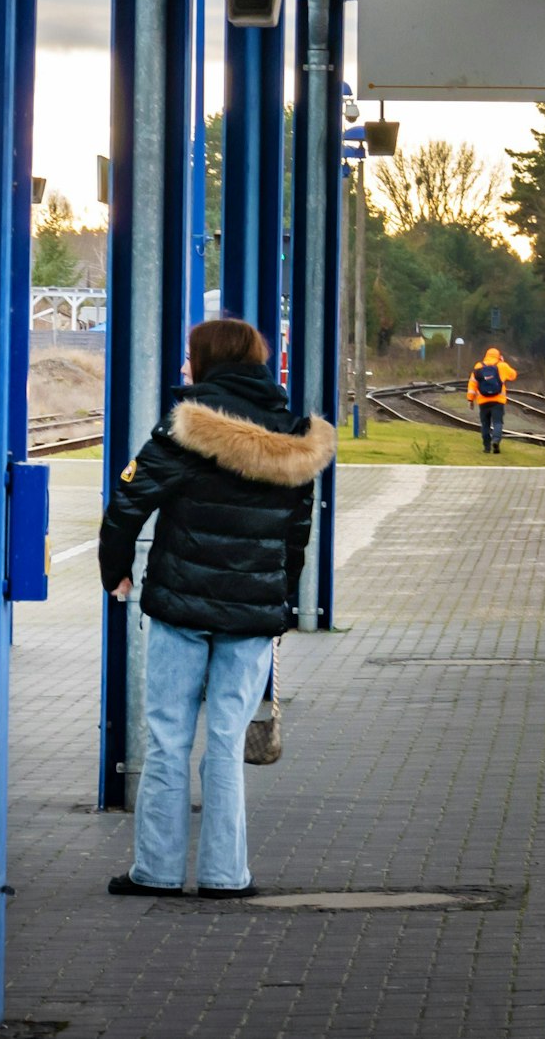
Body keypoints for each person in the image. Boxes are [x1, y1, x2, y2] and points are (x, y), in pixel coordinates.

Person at [99, 318, 335, 899]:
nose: (184, 367)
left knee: (168, 738)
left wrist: (116, 571)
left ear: (210, 362)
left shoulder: (186, 428)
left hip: (181, 607)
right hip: (253, 615)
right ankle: (226, 875)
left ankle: (155, 870)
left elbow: (127, 503)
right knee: (227, 742)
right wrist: (280, 606)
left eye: (189, 358)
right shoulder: (293, 436)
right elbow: (295, 538)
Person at [466, 347, 518, 454]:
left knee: (485, 424)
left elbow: (472, 384)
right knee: (498, 422)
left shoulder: (478, 366)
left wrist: (470, 399)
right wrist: (503, 362)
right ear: (498, 356)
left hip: (483, 401)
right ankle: (496, 440)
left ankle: (486, 447)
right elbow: (513, 375)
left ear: (486, 355)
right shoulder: (501, 366)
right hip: (498, 400)